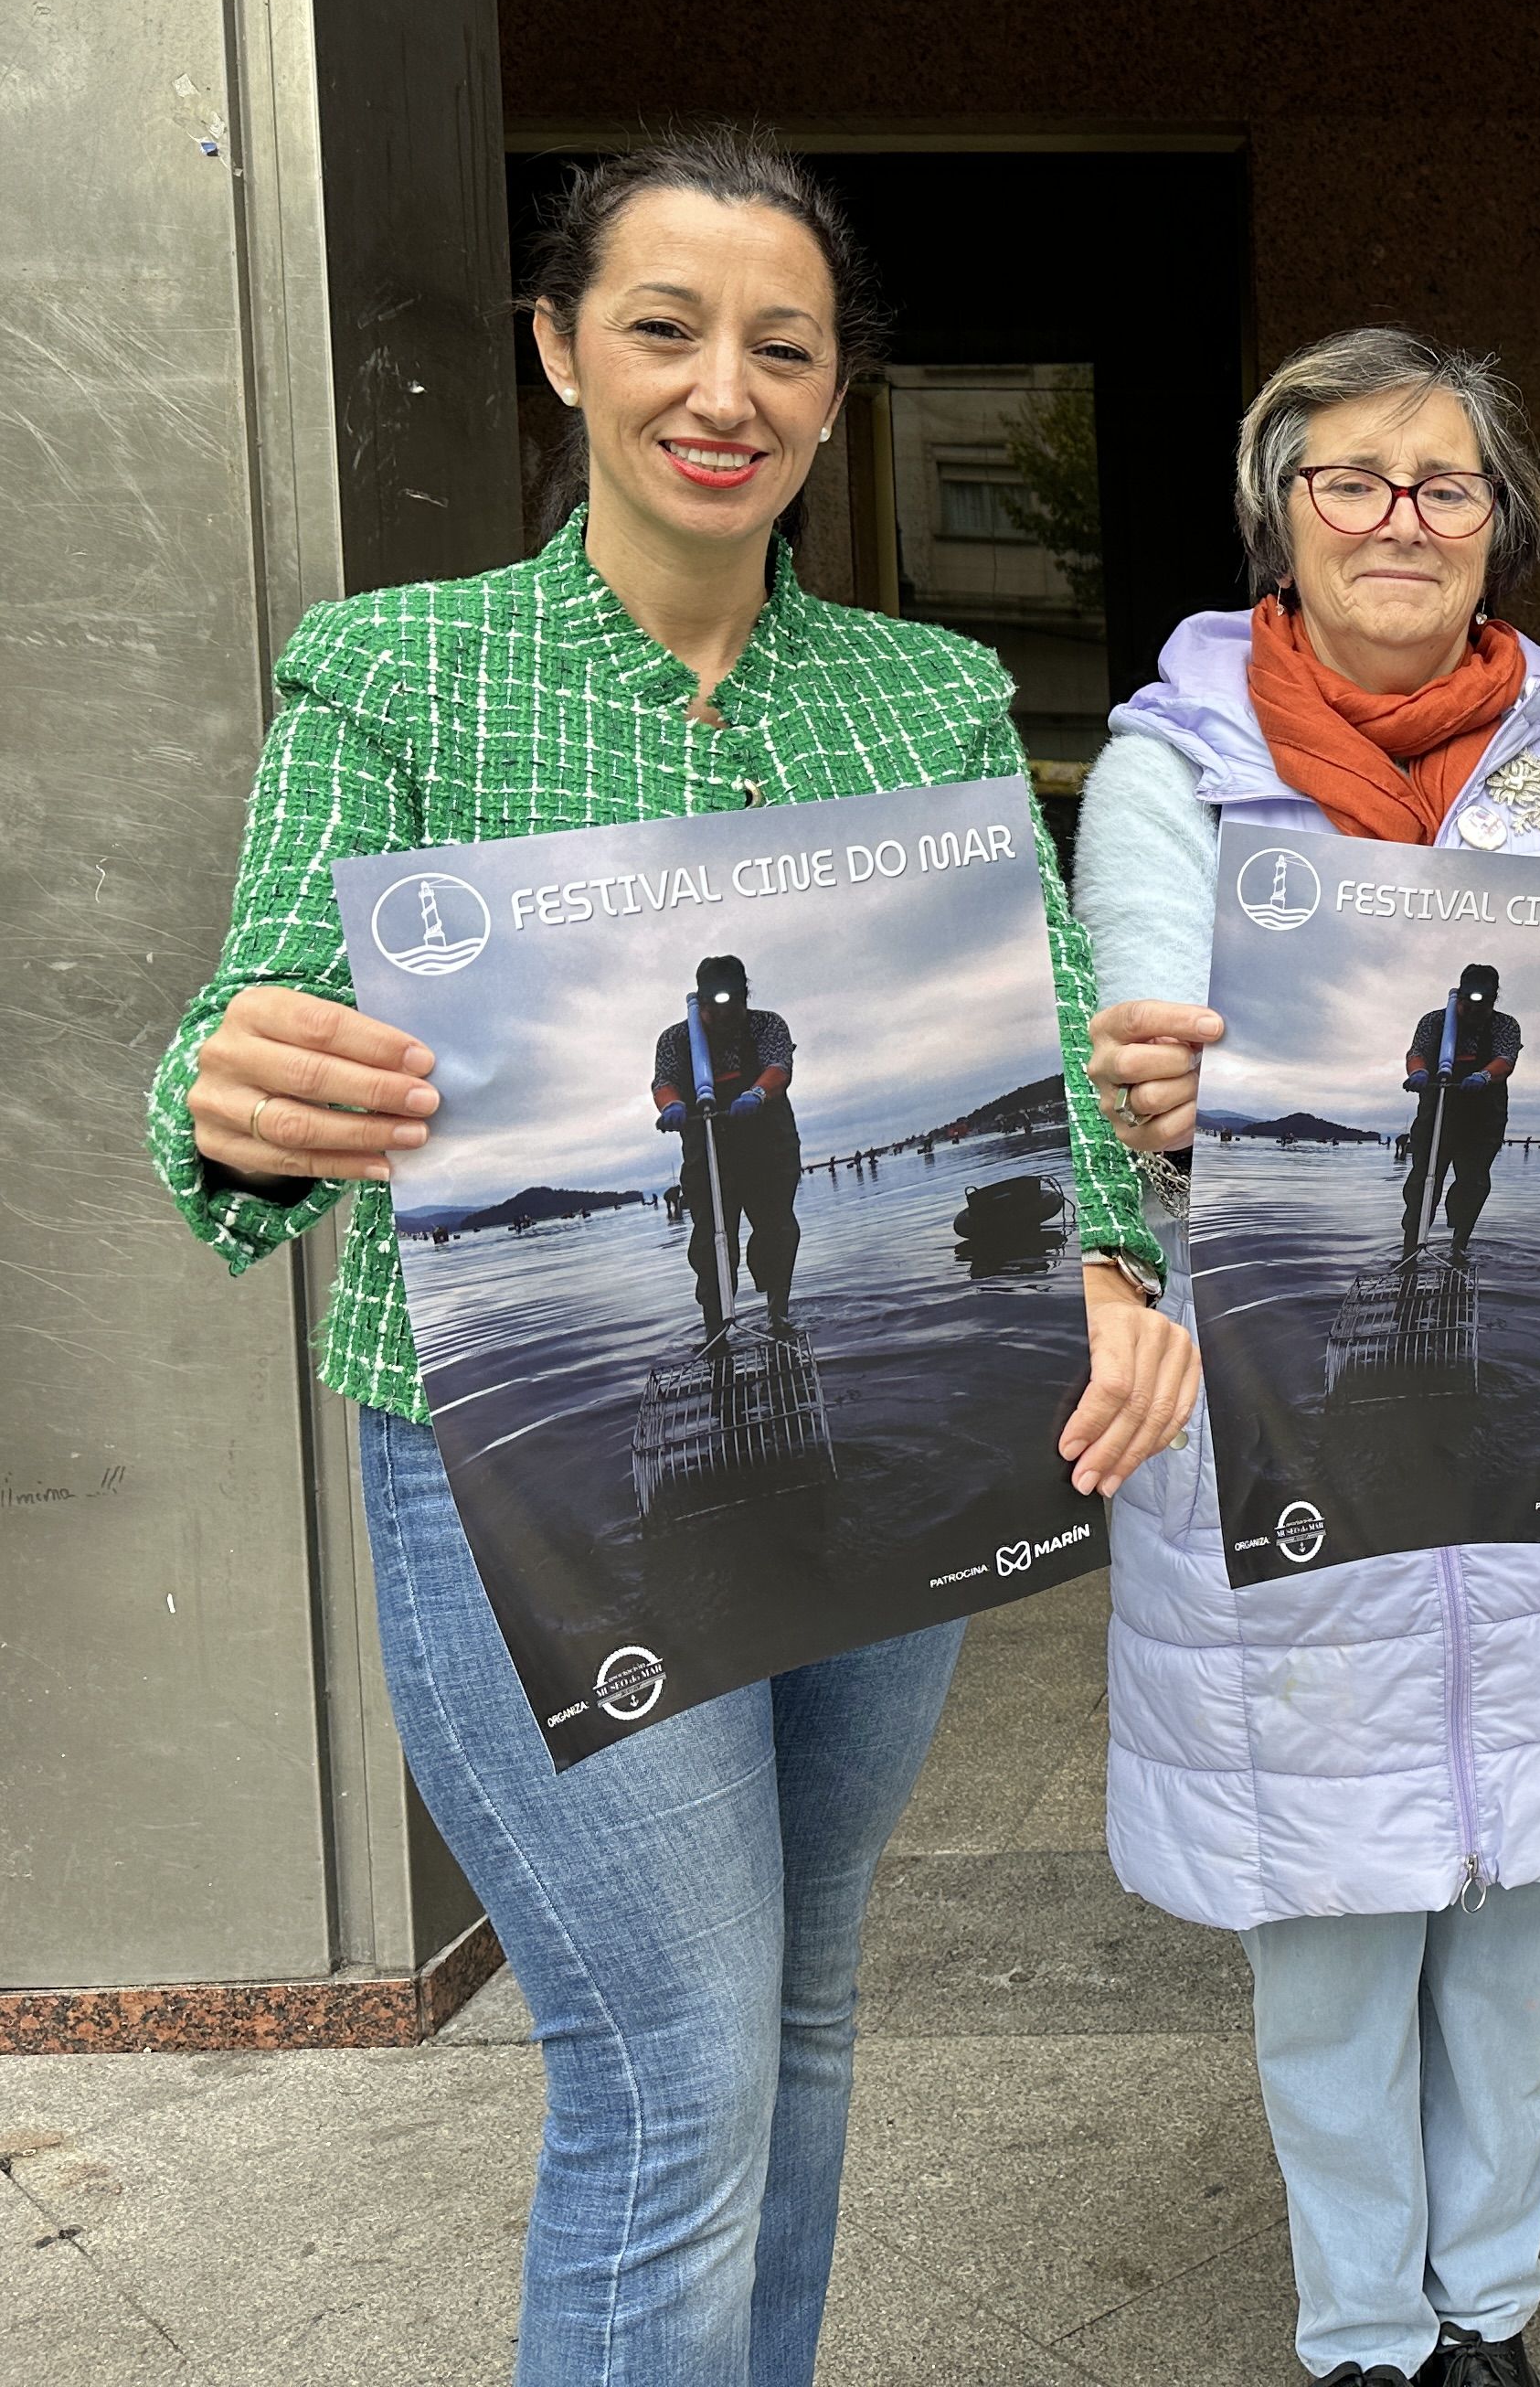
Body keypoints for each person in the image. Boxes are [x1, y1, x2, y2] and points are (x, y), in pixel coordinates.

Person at [146, 128, 1202, 2387]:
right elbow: (249, 1016)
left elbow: (1042, 1023)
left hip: (890, 1419)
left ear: (836, 398)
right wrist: (237, 1088)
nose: (722, 386)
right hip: (529, 1455)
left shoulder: (921, 703)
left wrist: (1112, 1259)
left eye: (783, 347)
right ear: (559, 352)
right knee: (671, 2069)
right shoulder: (399, 677)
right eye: (662, 327)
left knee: (801, 2017)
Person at [1071, 326, 1540, 2387]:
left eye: (1446, 485)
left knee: (1524, 1930)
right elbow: (1149, 1057)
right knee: (1326, 1939)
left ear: (1504, 529)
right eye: (1352, 480)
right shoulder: (1166, 772)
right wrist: (1152, 1087)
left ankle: (1493, 2310)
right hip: (1298, 1401)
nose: (1401, 518)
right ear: (1277, 520)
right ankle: (1365, 2334)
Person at [653, 951, 802, 1328]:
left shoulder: (767, 1026)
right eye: (713, 1007)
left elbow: (778, 1068)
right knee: (711, 1245)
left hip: (767, 1147)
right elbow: (664, 1082)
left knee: (776, 1232)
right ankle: (716, 1328)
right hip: (708, 1151)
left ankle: (777, 1312)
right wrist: (670, 1106)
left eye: (732, 1004)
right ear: (700, 1003)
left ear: (744, 997)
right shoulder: (675, 1040)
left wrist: (756, 1094)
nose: (722, 1016)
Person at [1401, 960, 1521, 1251]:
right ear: (1459, 996)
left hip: (1483, 1116)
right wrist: (1418, 1072)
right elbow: (1416, 1052)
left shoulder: (1505, 1025)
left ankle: (1458, 1247)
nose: (1474, 1013)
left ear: (1493, 1000)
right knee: (1423, 1182)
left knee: (1473, 1182)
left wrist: (1484, 1075)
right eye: (1468, 1005)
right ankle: (1410, 1248)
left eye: (1483, 1005)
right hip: (1438, 1109)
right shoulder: (1434, 1021)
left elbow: (1506, 1060)